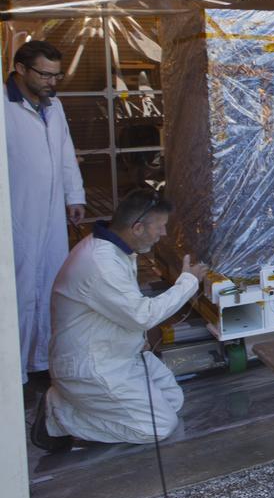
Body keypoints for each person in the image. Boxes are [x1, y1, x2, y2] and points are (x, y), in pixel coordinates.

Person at [31, 190, 209, 451]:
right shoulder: (101, 263)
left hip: (119, 354)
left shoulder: (116, 250)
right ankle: (60, 415)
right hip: (92, 364)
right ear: (137, 228)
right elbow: (143, 316)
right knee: (159, 426)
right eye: (159, 227)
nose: (163, 234)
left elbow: (120, 309)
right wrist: (188, 282)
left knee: (173, 399)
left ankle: (78, 405)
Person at [5, 39, 85, 386]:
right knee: (19, 290)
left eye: (57, 75)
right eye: (45, 75)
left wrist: (74, 196)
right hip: (16, 214)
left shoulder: (54, 106)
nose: (52, 82)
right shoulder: (5, 106)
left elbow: (66, 152)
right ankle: (13, 373)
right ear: (20, 70)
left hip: (52, 213)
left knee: (52, 283)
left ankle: (40, 362)